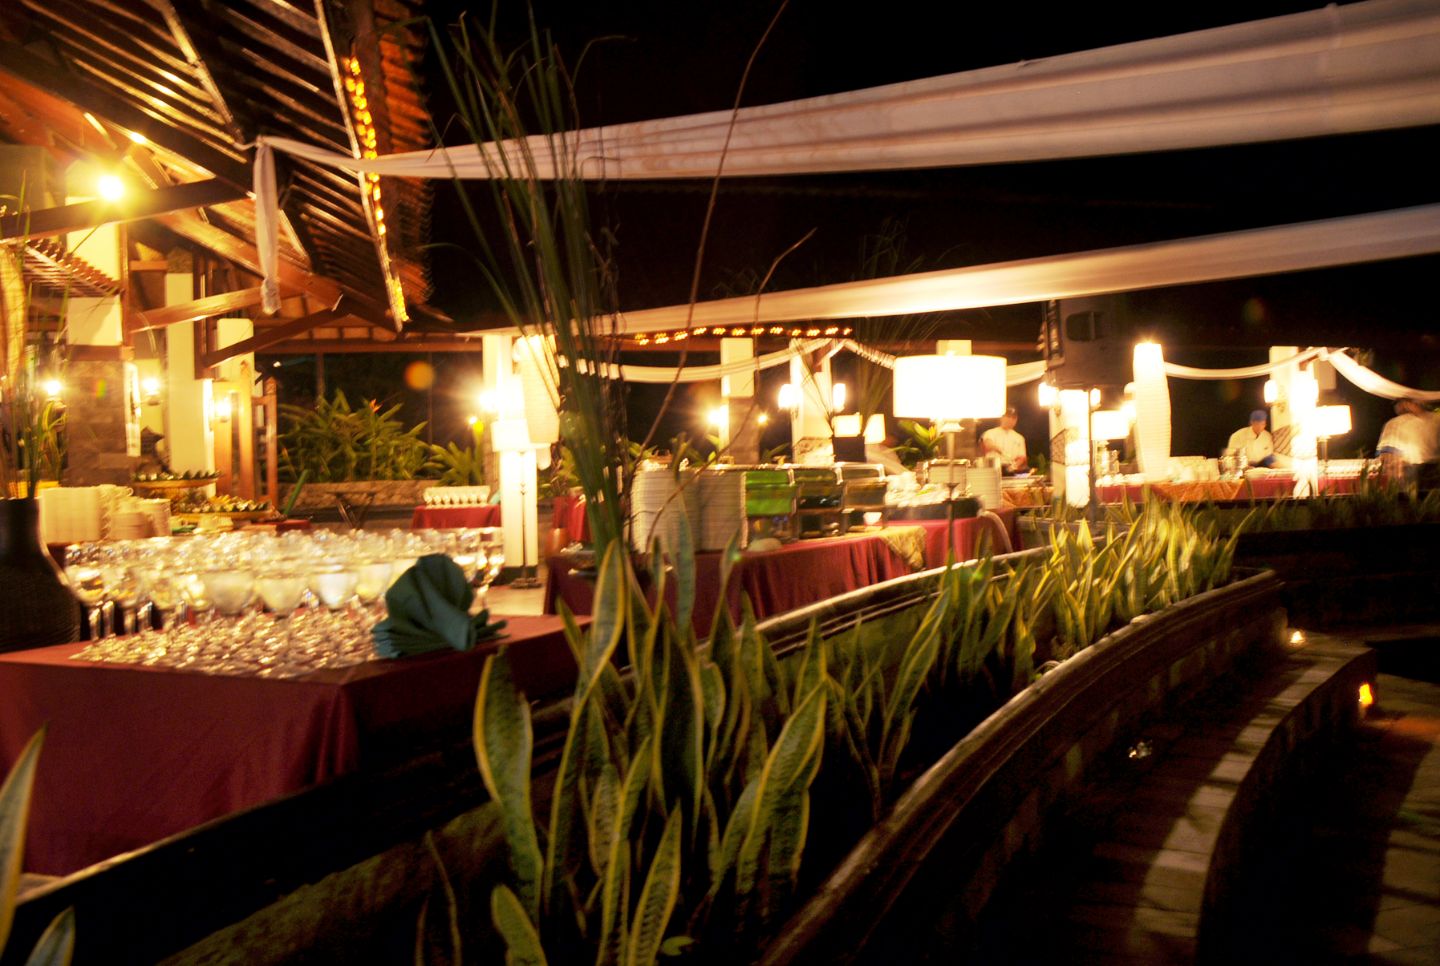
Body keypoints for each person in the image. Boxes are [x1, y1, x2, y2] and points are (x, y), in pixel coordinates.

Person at [1377, 399, 1440, 482]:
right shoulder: (1395, 423)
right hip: (1409, 468)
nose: (1400, 406)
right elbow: (1386, 452)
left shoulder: (1434, 419)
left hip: (1431, 468)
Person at [981, 407, 1027, 474]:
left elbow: (1022, 457)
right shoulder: (990, 433)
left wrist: (1014, 466)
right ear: (1002, 418)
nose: (1010, 420)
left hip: (1010, 468)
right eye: (1008, 417)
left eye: (1013, 418)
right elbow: (988, 444)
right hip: (993, 468)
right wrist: (999, 450)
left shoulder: (1019, 438)